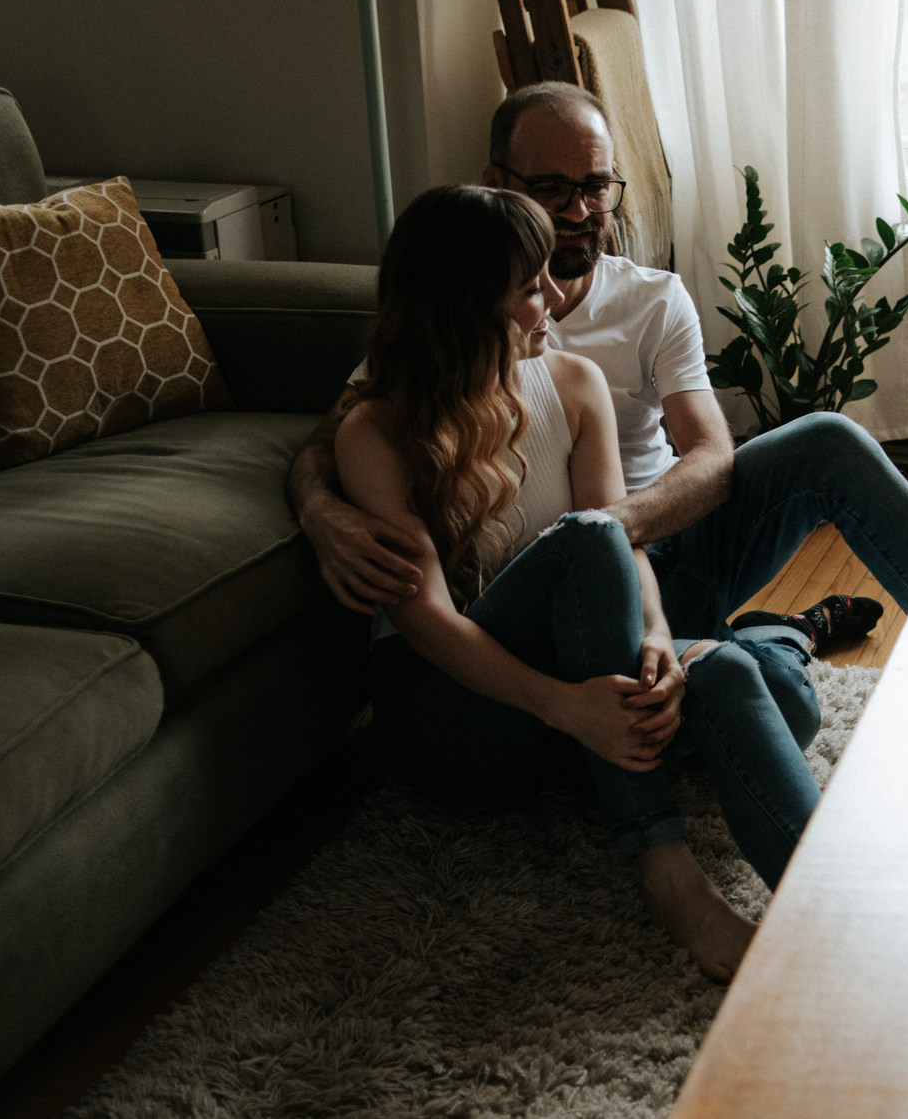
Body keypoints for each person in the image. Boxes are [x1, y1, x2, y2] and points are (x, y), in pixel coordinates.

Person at [335, 184, 823, 982]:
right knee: (592, 538)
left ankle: (834, 932)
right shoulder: (377, 431)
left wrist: (660, 638)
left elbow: (623, 539)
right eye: (528, 287)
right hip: (452, 717)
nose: (553, 299)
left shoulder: (572, 382)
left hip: (568, 687)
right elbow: (422, 618)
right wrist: (569, 706)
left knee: (733, 673)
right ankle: (667, 868)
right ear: (464, 306)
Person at [289, 82, 908, 650]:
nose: (581, 212)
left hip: (655, 547)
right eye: (553, 188)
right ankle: (780, 638)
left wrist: (608, 532)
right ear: (495, 184)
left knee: (830, 440)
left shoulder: (652, 297)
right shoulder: (453, 318)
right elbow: (339, 435)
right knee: (759, 689)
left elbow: (709, 451)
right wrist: (321, 511)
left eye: (598, 186)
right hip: (544, 600)